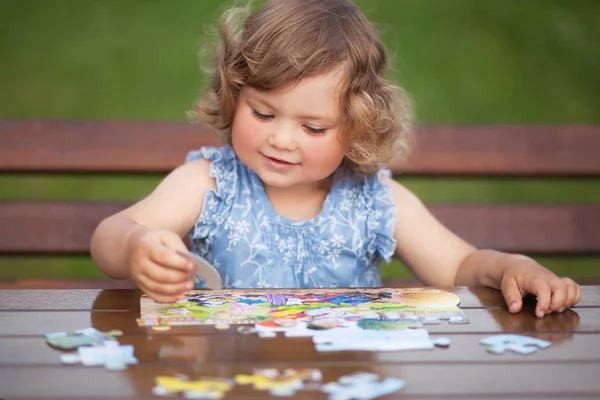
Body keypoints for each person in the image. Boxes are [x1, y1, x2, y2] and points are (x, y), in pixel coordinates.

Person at [90, 0, 581, 317]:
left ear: (358, 127)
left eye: (313, 127)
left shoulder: (373, 201)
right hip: (227, 379)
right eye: (263, 112)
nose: (282, 139)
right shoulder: (208, 183)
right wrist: (136, 247)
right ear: (235, 96)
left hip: (341, 379)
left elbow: (460, 266)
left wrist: (511, 266)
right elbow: (109, 237)